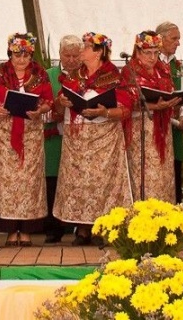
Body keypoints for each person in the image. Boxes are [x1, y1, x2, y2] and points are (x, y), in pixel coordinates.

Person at [53, 32, 133, 246]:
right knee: (79, 182)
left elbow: (125, 108)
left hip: (103, 135)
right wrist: (62, 101)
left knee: (102, 182)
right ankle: (83, 229)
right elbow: (58, 105)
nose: (82, 51)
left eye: (86, 47)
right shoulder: (72, 75)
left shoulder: (115, 76)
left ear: (98, 52)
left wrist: (104, 112)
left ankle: (104, 227)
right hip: (76, 137)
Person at [0, 33, 53, 246]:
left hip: (30, 133)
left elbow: (48, 100)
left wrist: (40, 110)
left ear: (31, 54)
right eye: (17, 55)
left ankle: (27, 230)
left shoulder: (40, 74)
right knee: (8, 181)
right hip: (5, 133)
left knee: (29, 182)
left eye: (26, 55)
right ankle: (11, 231)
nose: (21, 60)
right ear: (9, 53)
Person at [121, 30, 179, 202]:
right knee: (145, 174)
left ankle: (164, 216)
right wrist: (155, 106)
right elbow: (126, 101)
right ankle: (143, 216)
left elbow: (171, 90)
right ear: (137, 51)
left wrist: (173, 100)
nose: (152, 57)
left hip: (162, 130)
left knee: (163, 173)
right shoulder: (129, 71)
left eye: (156, 53)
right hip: (141, 131)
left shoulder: (163, 69)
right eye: (147, 53)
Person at [43, 35, 82, 243]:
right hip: (54, 137)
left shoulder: (88, 75)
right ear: (59, 54)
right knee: (53, 180)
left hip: (80, 139)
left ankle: (81, 227)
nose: (72, 60)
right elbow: (39, 104)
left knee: (78, 181)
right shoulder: (48, 75)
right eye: (68, 55)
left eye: (76, 55)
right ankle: (53, 228)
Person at [156, 21, 183, 203]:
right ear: (160, 40)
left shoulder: (176, 66)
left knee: (175, 172)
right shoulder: (150, 63)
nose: (178, 43)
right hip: (155, 129)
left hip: (175, 129)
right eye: (174, 38)